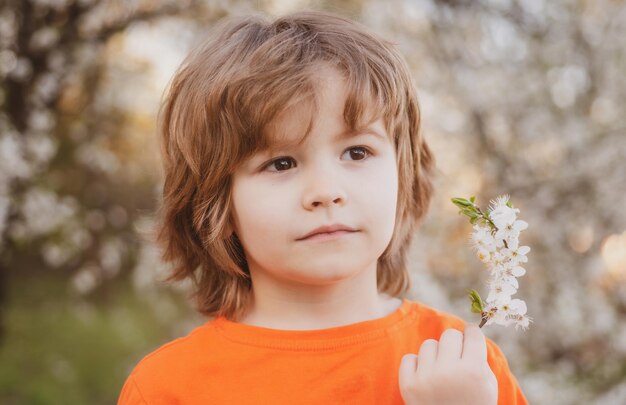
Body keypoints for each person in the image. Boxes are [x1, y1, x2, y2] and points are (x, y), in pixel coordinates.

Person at [117, 10, 528, 405]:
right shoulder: (167, 389)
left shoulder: (465, 366)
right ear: (216, 202)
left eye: (357, 152)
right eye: (281, 163)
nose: (326, 191)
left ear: (402, 174)